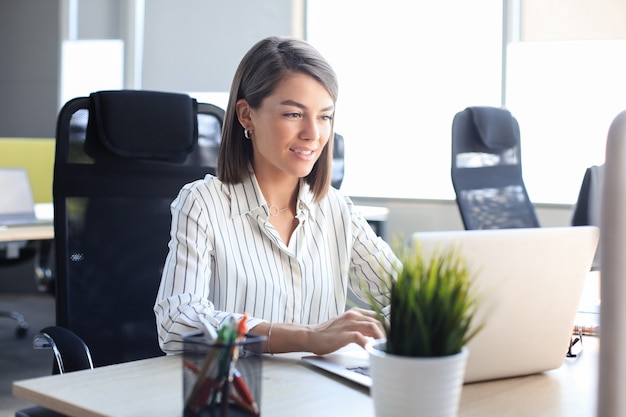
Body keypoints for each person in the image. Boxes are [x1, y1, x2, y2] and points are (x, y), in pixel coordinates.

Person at [154, 36, 398, 356]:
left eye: (324, 116)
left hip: (320, 399)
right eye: (294, 114)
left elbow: (405, 297)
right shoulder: (203, 203)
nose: (313, 133)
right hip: (237, 396)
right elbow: (178, 323)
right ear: (247, 116)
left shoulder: (337, 210)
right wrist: (305, 337)